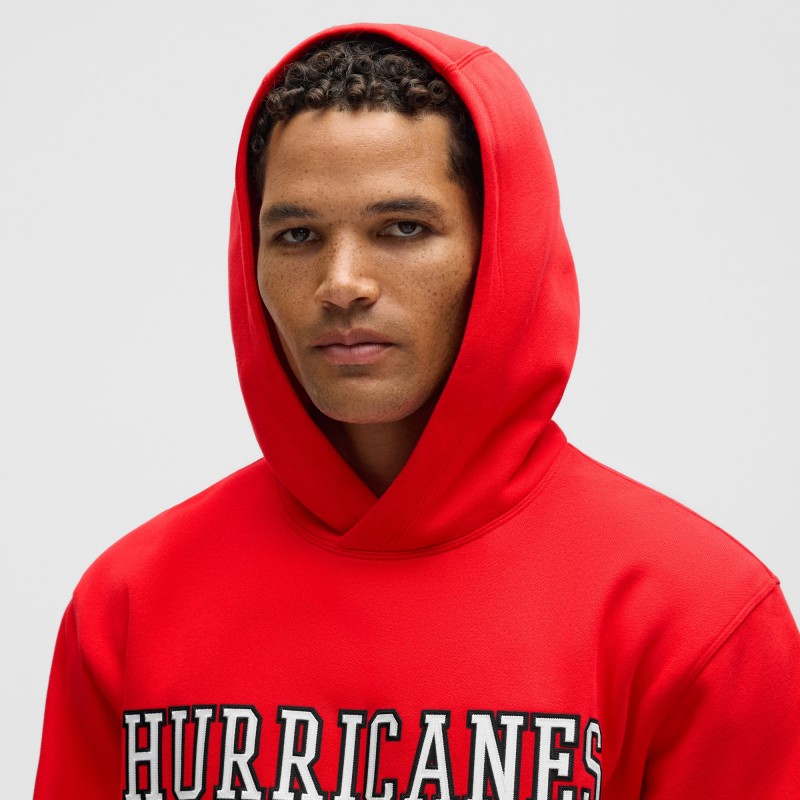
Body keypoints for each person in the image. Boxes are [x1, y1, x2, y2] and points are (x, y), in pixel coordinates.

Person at [33, 22, 800, 800]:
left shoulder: (697, 620)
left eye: (402, 228)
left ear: (501, 246)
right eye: (297, 234)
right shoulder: (128, 608)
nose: (342, 282)